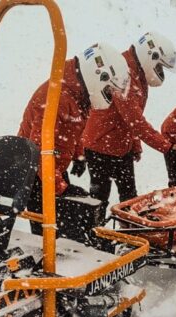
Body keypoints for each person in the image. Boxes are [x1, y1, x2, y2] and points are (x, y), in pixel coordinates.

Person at [19, 42, 130, 236]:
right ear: (98, 76)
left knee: (73, 219)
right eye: (108, 89)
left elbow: (72, 130)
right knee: (49, 231)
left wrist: (79, 155)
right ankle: (47, 263)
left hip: (52, 169)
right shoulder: (57, 97)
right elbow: (39, 150)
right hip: (35, 174)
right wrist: (61, 189)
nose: (110, 95)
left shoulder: (77, 93)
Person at [81, 32, 176, 209]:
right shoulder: (122, 72)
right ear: (151, 56)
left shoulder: (137, 71)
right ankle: (93, 234)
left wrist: (134, 143)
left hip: (120, 147)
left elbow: (129, 117)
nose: (159, 72)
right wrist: (167, 147)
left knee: (129, 198)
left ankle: (126, 233)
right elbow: (134, 119)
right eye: (159, 67)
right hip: (100, 146)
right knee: (99, 199)